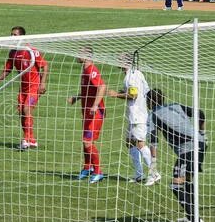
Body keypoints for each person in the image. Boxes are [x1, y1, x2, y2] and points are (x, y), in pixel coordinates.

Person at [146, 89, 206, 222]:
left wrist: (153, 165)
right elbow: (201, 113)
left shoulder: (153, 116)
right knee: (187, 182)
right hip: (201, 143)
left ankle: (195, 221)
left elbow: (154, 141)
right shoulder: (175, 106)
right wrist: (203, 134)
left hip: (189, 150)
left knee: (176, 184)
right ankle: (191, 215)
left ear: (150, 102)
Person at [0, 26, 48, 150]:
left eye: (15, 35)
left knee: (27, 109)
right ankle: (31, 140)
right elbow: (7, 70)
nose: (12, 37)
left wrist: (43, 83)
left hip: (34, 87)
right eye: (11, 35)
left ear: (22, 36)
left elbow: (45, 66)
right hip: (23, 89)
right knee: (22, 113)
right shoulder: (13, 52)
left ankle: (26, 139)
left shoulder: (31, 50)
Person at [107, 54, 159, 186]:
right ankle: (139, 174)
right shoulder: (137, 74)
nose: (116, 62)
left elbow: (133, 95)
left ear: (125, 62)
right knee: (129, 142)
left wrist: (116, 94)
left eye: (119, 59)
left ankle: (154, 173)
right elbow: (144, 91)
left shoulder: (132, 76)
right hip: (134, 114)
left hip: (138, 116)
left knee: (140, 143)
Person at [67, 46, 106, 184]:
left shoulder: (91, 70)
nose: (76, 55)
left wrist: (95, 105)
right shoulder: (85, 70)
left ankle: (98, 172)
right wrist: (77, 97)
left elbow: (102, 87)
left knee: (87, 142)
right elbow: (88, 91)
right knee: (85, 142)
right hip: (88, 112)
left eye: (78, 53)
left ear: (86, 55)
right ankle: (87, 168)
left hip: (95, 113)